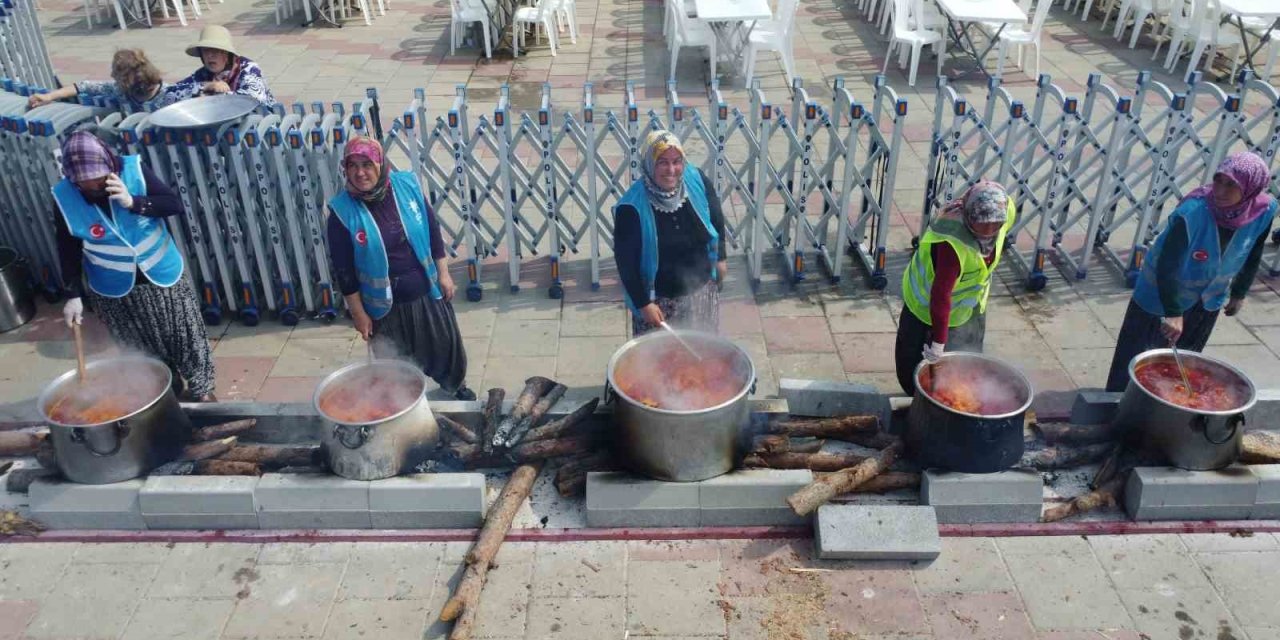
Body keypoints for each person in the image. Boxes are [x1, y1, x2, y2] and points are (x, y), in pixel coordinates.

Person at [53, 131, 216, 401]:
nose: (93, 184)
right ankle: (167, 392)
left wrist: (134, 202)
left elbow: (173, 204)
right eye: (84, 181)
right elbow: (67, 246)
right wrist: (72, 294)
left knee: (186, 341)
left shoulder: (134, 170)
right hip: (114, 290)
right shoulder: (64, 196)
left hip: (162, 278)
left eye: (98, 176)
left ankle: (204, 393)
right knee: (142, 349)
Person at [1104, 151, 1277, 392]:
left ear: (1250, 189)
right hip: (1160, 295)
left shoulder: (1263, 211)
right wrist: (1173, 312)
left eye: (1231, 185)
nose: (1221, 191)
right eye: (1219, 180)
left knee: (1180, 366)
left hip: (1207, 299)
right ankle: (1116, 410)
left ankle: (1166, 413)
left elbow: (1254, 249)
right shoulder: (1192, 213)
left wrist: (1239, 292)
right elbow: (1168, 265)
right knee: (1135, 361)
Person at [326, 137, 476, 401]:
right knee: (394, 365)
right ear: (345, 169)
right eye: (353, 166)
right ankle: (404, 407)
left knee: (444, 346)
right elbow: (344, 272)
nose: (360, 173)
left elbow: (431, 230)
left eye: (367, 164)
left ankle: (455, 386)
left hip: (425, 293)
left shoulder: (406, 186)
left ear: (381, 164)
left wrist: (443, 273)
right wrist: (358, 314)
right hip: (384, 308)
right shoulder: (342, 213)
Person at [895, 181, 1016, 394]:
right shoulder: (952, 244)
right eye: (982, 224)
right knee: (913, 367)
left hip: (970, 305)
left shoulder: (1005, 211)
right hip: (925, 308)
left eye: (995, 224)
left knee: (966, 367)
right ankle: (918, 399)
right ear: (968, 217)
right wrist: (938, 344)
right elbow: (941, 296)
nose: (989, 230)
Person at [614, 130, 728, 335]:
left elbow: (716, 217)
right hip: (659, 305)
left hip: (702, 293)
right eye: (662, 162)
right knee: (659, 363)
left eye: (677, 161)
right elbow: (626, 263)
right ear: (650, 163)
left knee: (703, 355)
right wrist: (643, 304)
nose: (671, 170)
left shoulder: (696, 180)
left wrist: (721, 258)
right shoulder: (631, 208)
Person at [161, 25, 276, 108]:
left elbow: (252, 100)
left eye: (215, 51)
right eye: (206, 51)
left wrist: (217, 93)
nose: (210, 56)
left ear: (227, 54)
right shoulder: (203, 73)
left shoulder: (249, 69)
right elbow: (169, 93)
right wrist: (207, 86)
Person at [27, 49, 166, 113]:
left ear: (132, 78)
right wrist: (49, 96)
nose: (112, 75)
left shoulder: (168, 95)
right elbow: (82, 87)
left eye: (117, 74)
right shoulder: (118, 89)